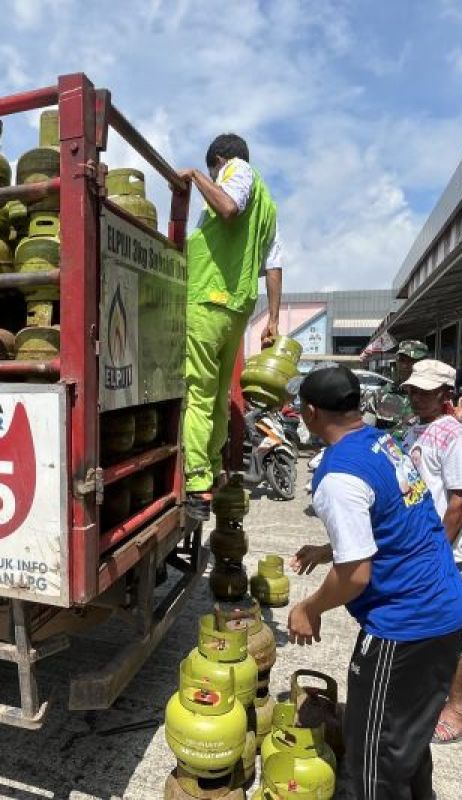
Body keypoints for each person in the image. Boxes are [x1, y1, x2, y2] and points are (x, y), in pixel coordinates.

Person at [287, 365, 462, 800]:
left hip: (407, 625)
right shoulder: (382, 443)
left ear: (310, 412)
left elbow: (356, 576)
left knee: (373, 753)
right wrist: (329, 549)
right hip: (447, 607)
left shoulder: (336, 477)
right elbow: (393, 521)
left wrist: (308, 609)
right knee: (407, 737)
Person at [178, 133, 282, 520]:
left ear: (219, 160)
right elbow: (273, 264)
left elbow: (227, 206)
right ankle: (215, 467)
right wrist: (272, 317)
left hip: (209, 299)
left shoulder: (237, 170)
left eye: (212, 171)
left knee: (199, 393)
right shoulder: (269, 205)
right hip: (238, 308)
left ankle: (197, 483)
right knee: (219, 392)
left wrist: (194, 175)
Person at [400, 359, 462, 745]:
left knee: (447, 630)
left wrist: (440, 550)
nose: (415, 398)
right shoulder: (417, 429)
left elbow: (458, 500)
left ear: (446, 394)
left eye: (425, 392)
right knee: (425, 628)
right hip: (418, 545)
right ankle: (428, 699)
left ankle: (460, 710)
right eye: (413, 390)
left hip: (441, 548)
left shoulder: (454, 434)